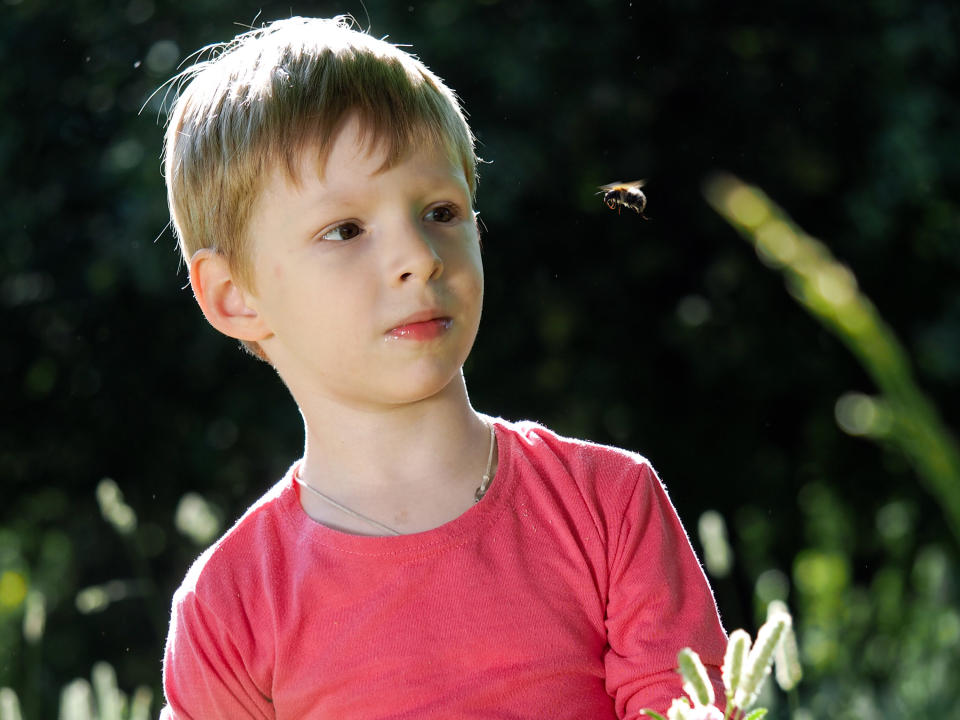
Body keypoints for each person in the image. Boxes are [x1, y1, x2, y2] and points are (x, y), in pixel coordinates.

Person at [159, 15, 727, 719]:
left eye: (439, 211)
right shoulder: (229, 607)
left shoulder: (607, 505)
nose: (420, 256)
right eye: (345, 230)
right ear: (234, 296)